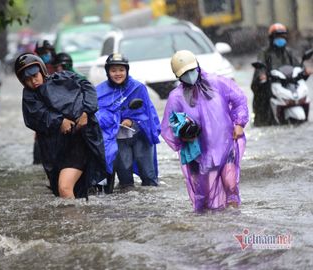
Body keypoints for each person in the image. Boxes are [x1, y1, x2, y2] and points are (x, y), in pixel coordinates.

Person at [161, 50, 249, 212]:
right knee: (205, 196)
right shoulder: (176, 97)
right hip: (198, 153)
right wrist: (182, 136)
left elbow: (239, 99)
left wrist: (239, 123)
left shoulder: (217, 83)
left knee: (230, 185)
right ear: (178, 76)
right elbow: (169, 126)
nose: (190, 75)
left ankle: (235, 218)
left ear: (198, 66)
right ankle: (207, 227)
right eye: (184, 73)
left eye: (191, 70)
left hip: (225, 144)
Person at [14, 53, 107, 199]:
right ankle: (80, 221)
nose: (33, 81)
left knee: (65, 188)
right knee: (70, 192)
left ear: (42, 70)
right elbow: (37, 116)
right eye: (28, 79)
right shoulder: (29, 97)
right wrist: (60, 121)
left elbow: (87, 86)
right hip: (54, 149)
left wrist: (86, 112)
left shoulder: (63, 78)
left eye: (35, 76)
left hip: (79, 142)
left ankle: (71, 221)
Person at [95, 53, 161, 190]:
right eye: (113, 70)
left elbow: (148, 114)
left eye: (121, 70)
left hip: (140, 136)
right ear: (107, 72)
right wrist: (114, 120)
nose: (117, 73)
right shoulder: (99, 92)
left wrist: (133, 121)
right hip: (118, 139)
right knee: (126, 182)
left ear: (127, 70)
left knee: (149, 178)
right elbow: (96, 116)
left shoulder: (138, 88)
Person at [251, 23, 300, 126]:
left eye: (282, 36)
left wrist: (304, 71)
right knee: (263, 97)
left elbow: (297, 66)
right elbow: (260, 66)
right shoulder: (264, 53)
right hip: (270, 85)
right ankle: (264, 119)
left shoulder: (288, 53)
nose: (280, 39)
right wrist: (263, 75)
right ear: (271, 38)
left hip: (286, 84)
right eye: (277, 36)